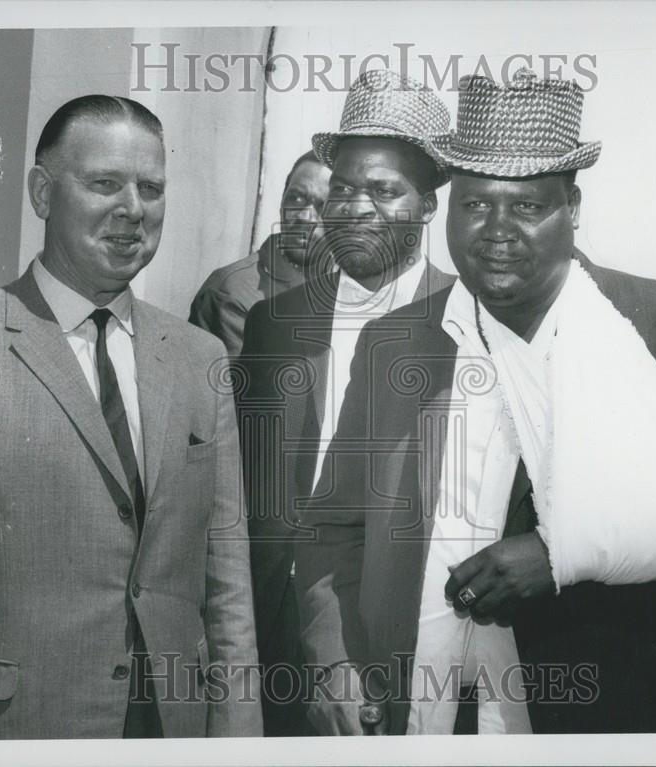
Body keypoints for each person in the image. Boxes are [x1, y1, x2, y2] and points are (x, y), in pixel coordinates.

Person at [294, 71, 656, 735]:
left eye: (527, 206)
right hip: (412, 714)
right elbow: (333, 526)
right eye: (475, 203)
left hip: (602, 712)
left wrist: (561, 555)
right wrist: (333, 663)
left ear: (572, 206)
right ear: (448, 205)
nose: (496, 229)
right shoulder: (394, 343)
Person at [0, 95, 261, 739]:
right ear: (41, 192)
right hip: (15, 729)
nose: (132, 209)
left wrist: (239, 736)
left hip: (172, 727)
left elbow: (228, 585)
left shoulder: (201, 359)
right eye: (104, 183)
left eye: (151, 188)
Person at [235, 69, 455, 736]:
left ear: (427, 205)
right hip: (270, 636)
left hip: (401, 645)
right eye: (344, 187)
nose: (356, 206)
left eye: (384, 190)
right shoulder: (273, 322)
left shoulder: (461, 326)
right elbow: (250, 488)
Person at [189, 150, 332, 356]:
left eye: (323, 206)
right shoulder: (231, 293)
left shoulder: (343, 286)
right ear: (282, 201)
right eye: (297, 198)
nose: (305, 217)